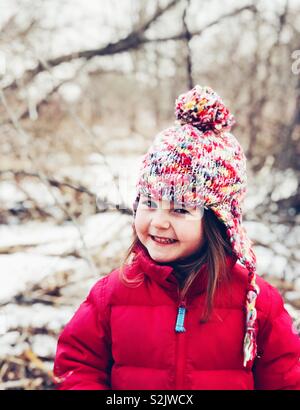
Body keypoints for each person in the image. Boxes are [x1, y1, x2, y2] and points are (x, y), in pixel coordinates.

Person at [53, 85, 300, 390]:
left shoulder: (257, 305)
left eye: (181, 209)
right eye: (150, 202)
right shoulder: (113, 295)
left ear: (218, 221)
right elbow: (78, 365)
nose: (159, 222)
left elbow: (287, 380)